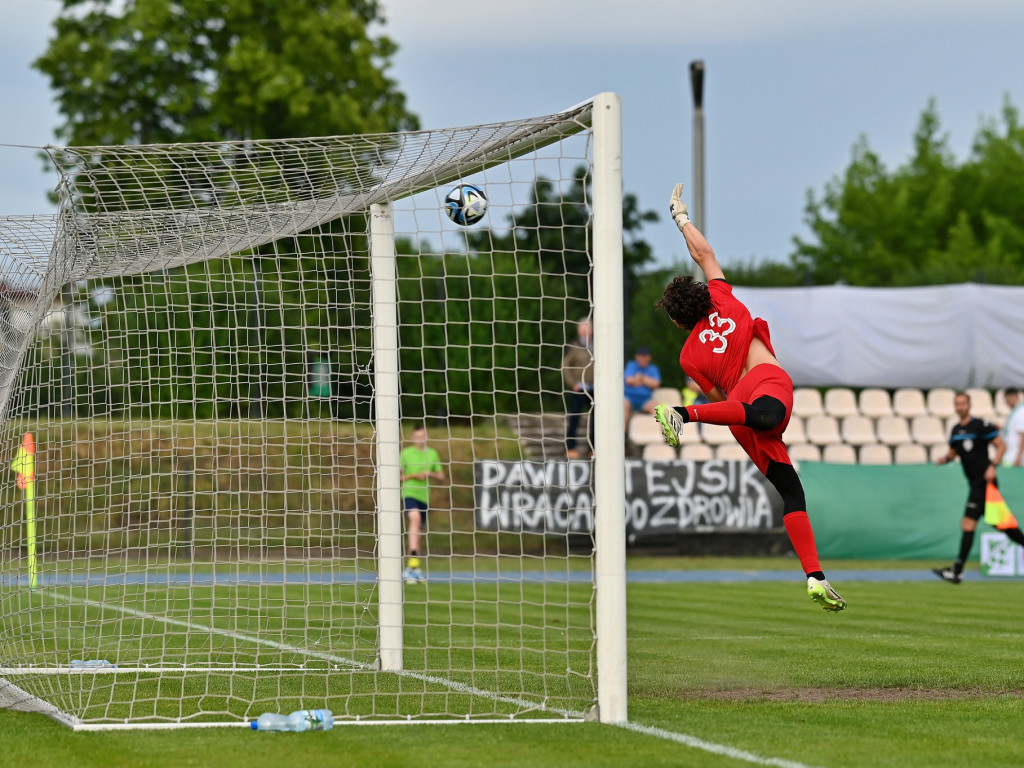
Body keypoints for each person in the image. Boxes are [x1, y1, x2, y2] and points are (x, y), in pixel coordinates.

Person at [652, 184, 845, 612]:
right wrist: (681, 219)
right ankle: (681, 413)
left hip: (741, 412)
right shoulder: (721, 296)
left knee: (792, 492)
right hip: (764, 383)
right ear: (701, 295)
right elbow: (704, 254)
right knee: (767, 416)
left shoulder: (688, 356)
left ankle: (815, 577)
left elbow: (720, 397)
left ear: (679, 322)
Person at [932, 391, 1024, 583]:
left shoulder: (980, 426)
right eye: (957, 404)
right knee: (1001, 524)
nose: (960, 407)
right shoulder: (956, 430)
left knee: (968, 523)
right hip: (974, 483)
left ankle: (957, 570)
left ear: (969, 405)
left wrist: (993, 466)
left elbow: (1001, 445)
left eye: (963, 403)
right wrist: (945, 459)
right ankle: (957, 570)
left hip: (984, 482)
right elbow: (953, 452)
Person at [399, 425, 446, 584]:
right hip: (409, 493)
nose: (420, 439)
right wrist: (414, 476)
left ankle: (413, 569)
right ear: (413, 438)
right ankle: (413, 562)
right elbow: (397, 476)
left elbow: (442, 477)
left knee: (418, 531)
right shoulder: (405, 453)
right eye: (417, 437)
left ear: (427, 437)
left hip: (424, 496)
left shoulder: (432, 453)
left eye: (422, 436)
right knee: (415, 518)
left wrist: (429, 473)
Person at [562, 317, 594, 459]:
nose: (586, 331)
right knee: (575, 417)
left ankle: (593, 448)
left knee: (596, 418)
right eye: (583, 328)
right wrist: (573, 383)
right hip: (580, 388)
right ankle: (570, 448)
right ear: (578, 330)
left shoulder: (598, 344)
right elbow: (565, 365)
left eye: (588, 328)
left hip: (595, 388)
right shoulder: (574, 346)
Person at [623, 347, 661, 430]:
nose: (643, 358)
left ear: (649, 357)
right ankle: (623, 433)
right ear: (636, 357)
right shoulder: (631, 365)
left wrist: (641, 378)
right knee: (624, 405)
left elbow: (656, 384)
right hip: (629, 399)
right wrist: (647, 381)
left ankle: (660, 433)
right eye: (641, 356)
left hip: (645, 401)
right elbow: (629, 381)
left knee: (657, 408)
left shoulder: (653, 368)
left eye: (645, 356)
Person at [1001, 388, 1024, 467]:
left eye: (1006, 400)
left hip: (1015, 457)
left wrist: (1019, 455)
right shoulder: (1015, 411)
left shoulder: (1021, 412)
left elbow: (1023, 434)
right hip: (1010, 455)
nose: (1006, 403)